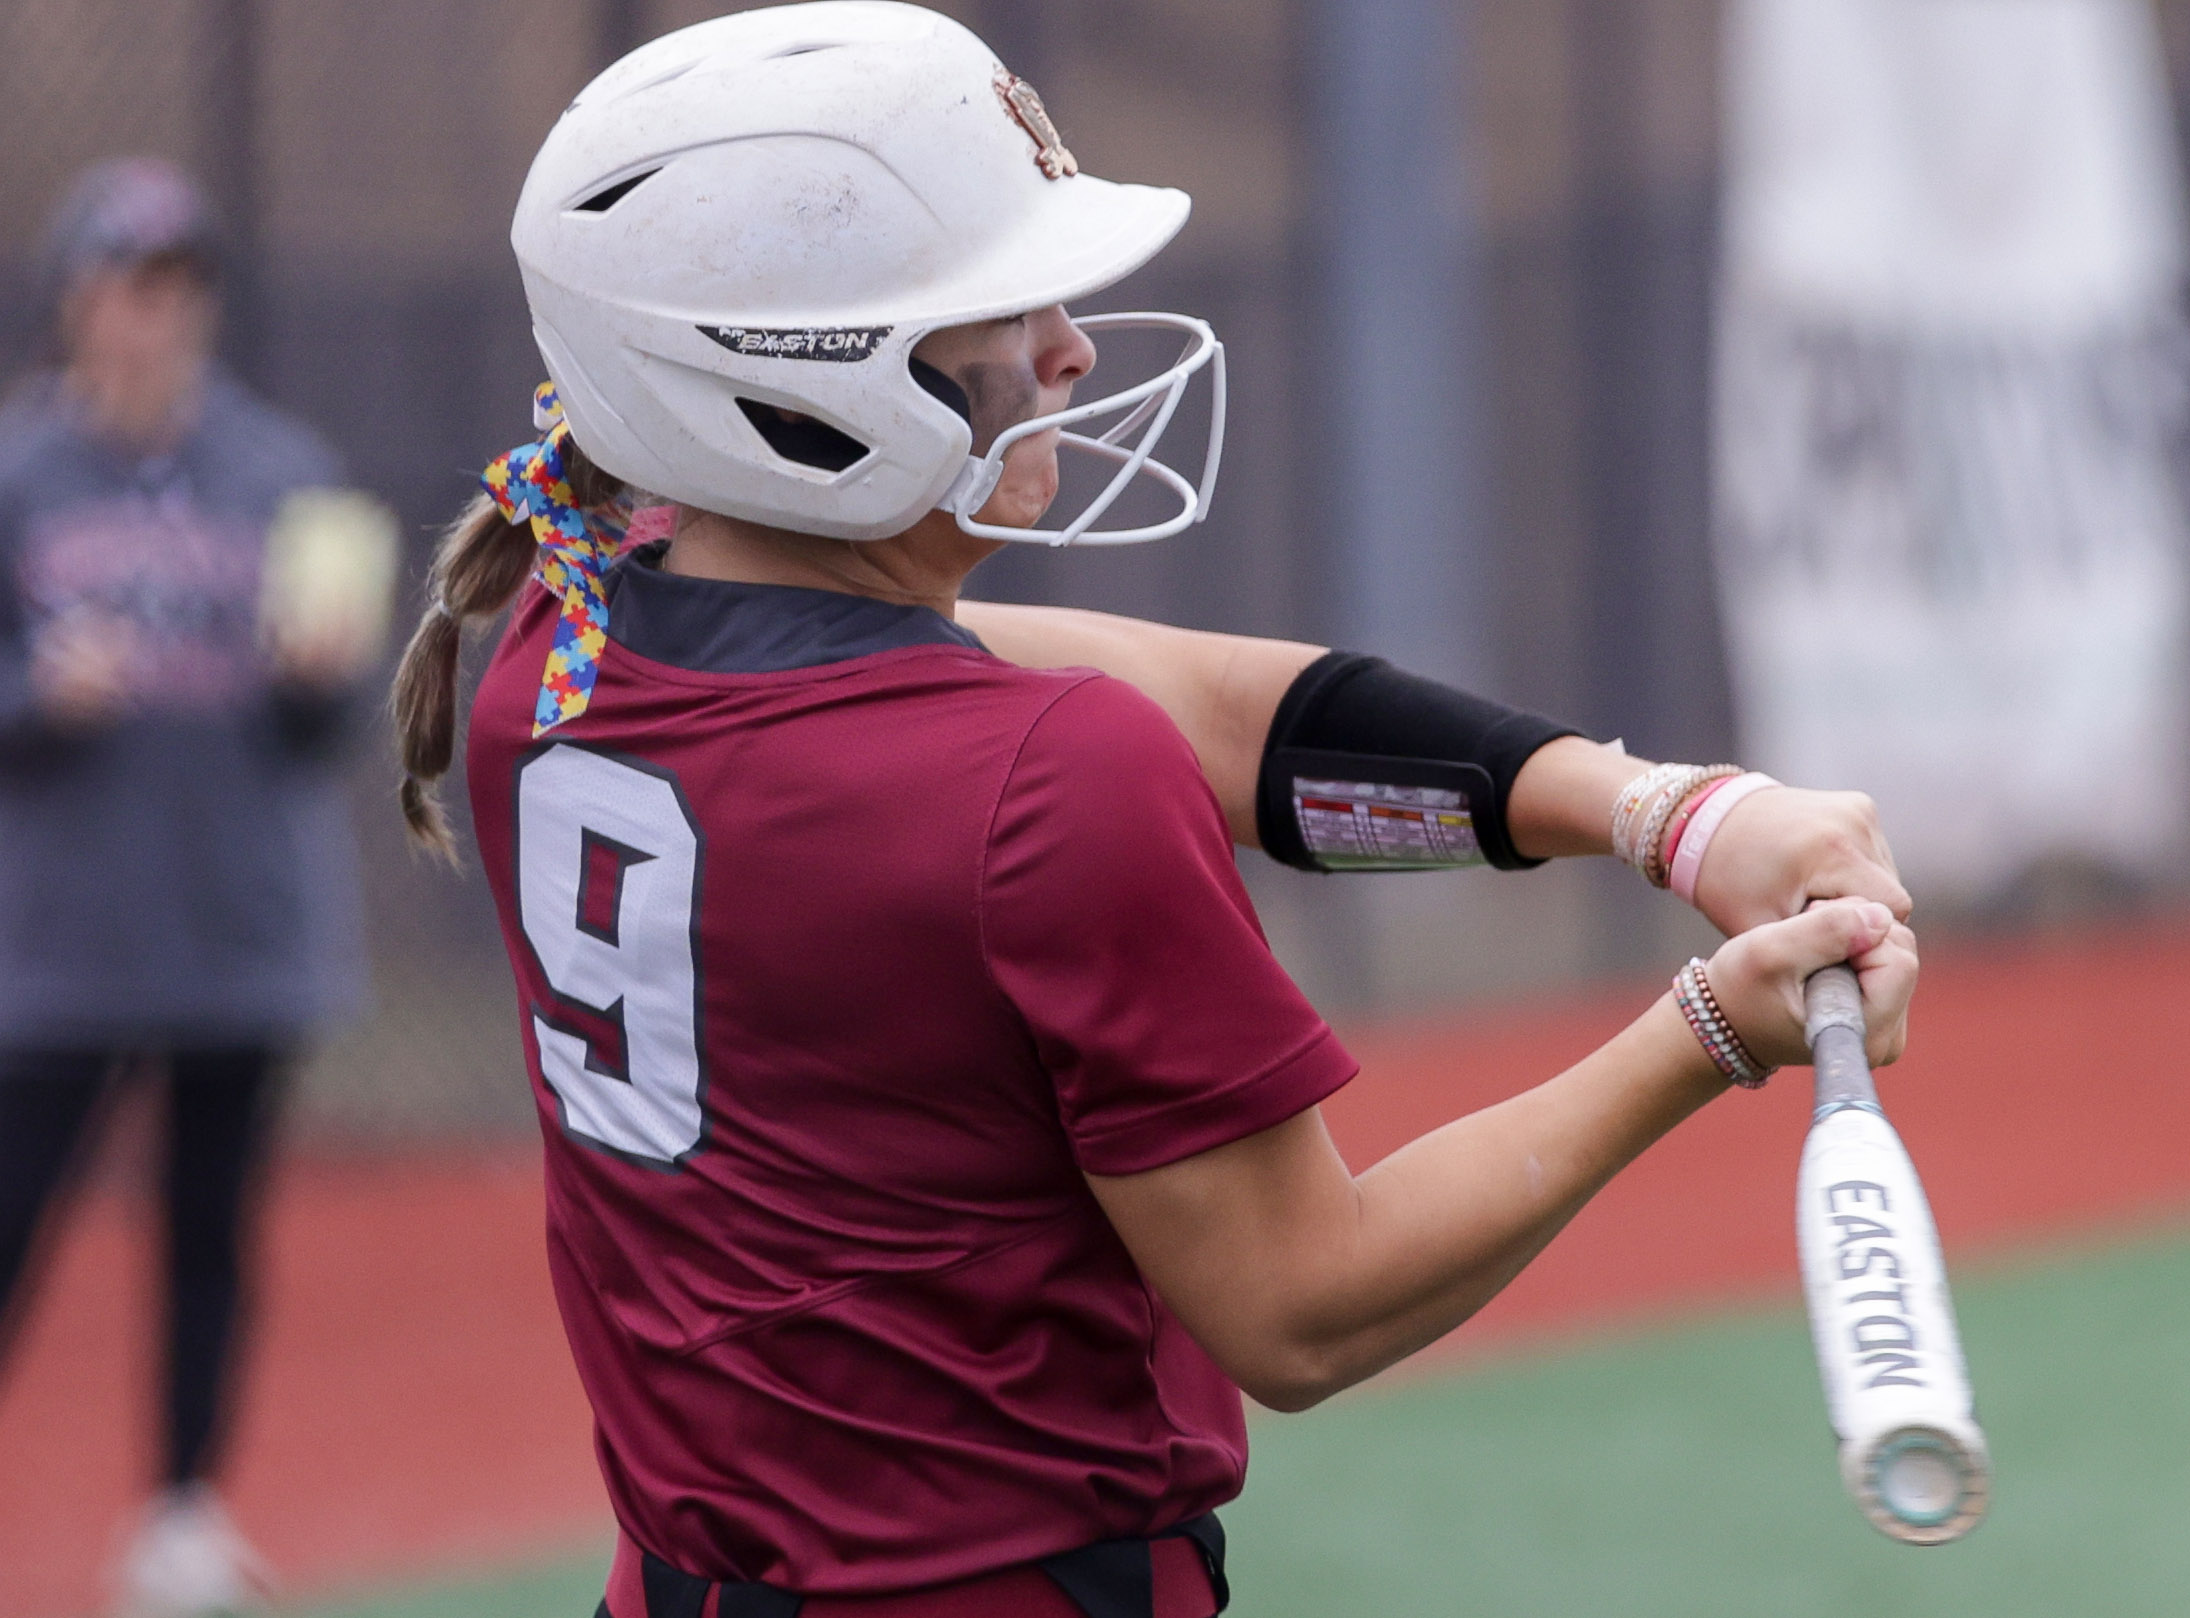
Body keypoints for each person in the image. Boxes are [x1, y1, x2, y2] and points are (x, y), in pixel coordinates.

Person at [391, 8, 1918, 1616]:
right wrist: (1703, 1027)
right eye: (997, 308)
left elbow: (1206, 711)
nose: (1069, 349)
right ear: (791, 386)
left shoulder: (554, 653)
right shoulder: (1036, 781)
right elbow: (1306, 1309)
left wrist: (1669, 815)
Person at [0, 159, 374, 1615]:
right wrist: (36, 691)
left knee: (211, 1225)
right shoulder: (18, 476)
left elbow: (323, 727)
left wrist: (313, 678)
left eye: (176, 288)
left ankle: (180, 1515)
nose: (150, 316)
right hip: (62, 940)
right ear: (76, 301)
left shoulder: (289, 469)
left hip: (239, 925)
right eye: (125, 285)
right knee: (14, 1215)